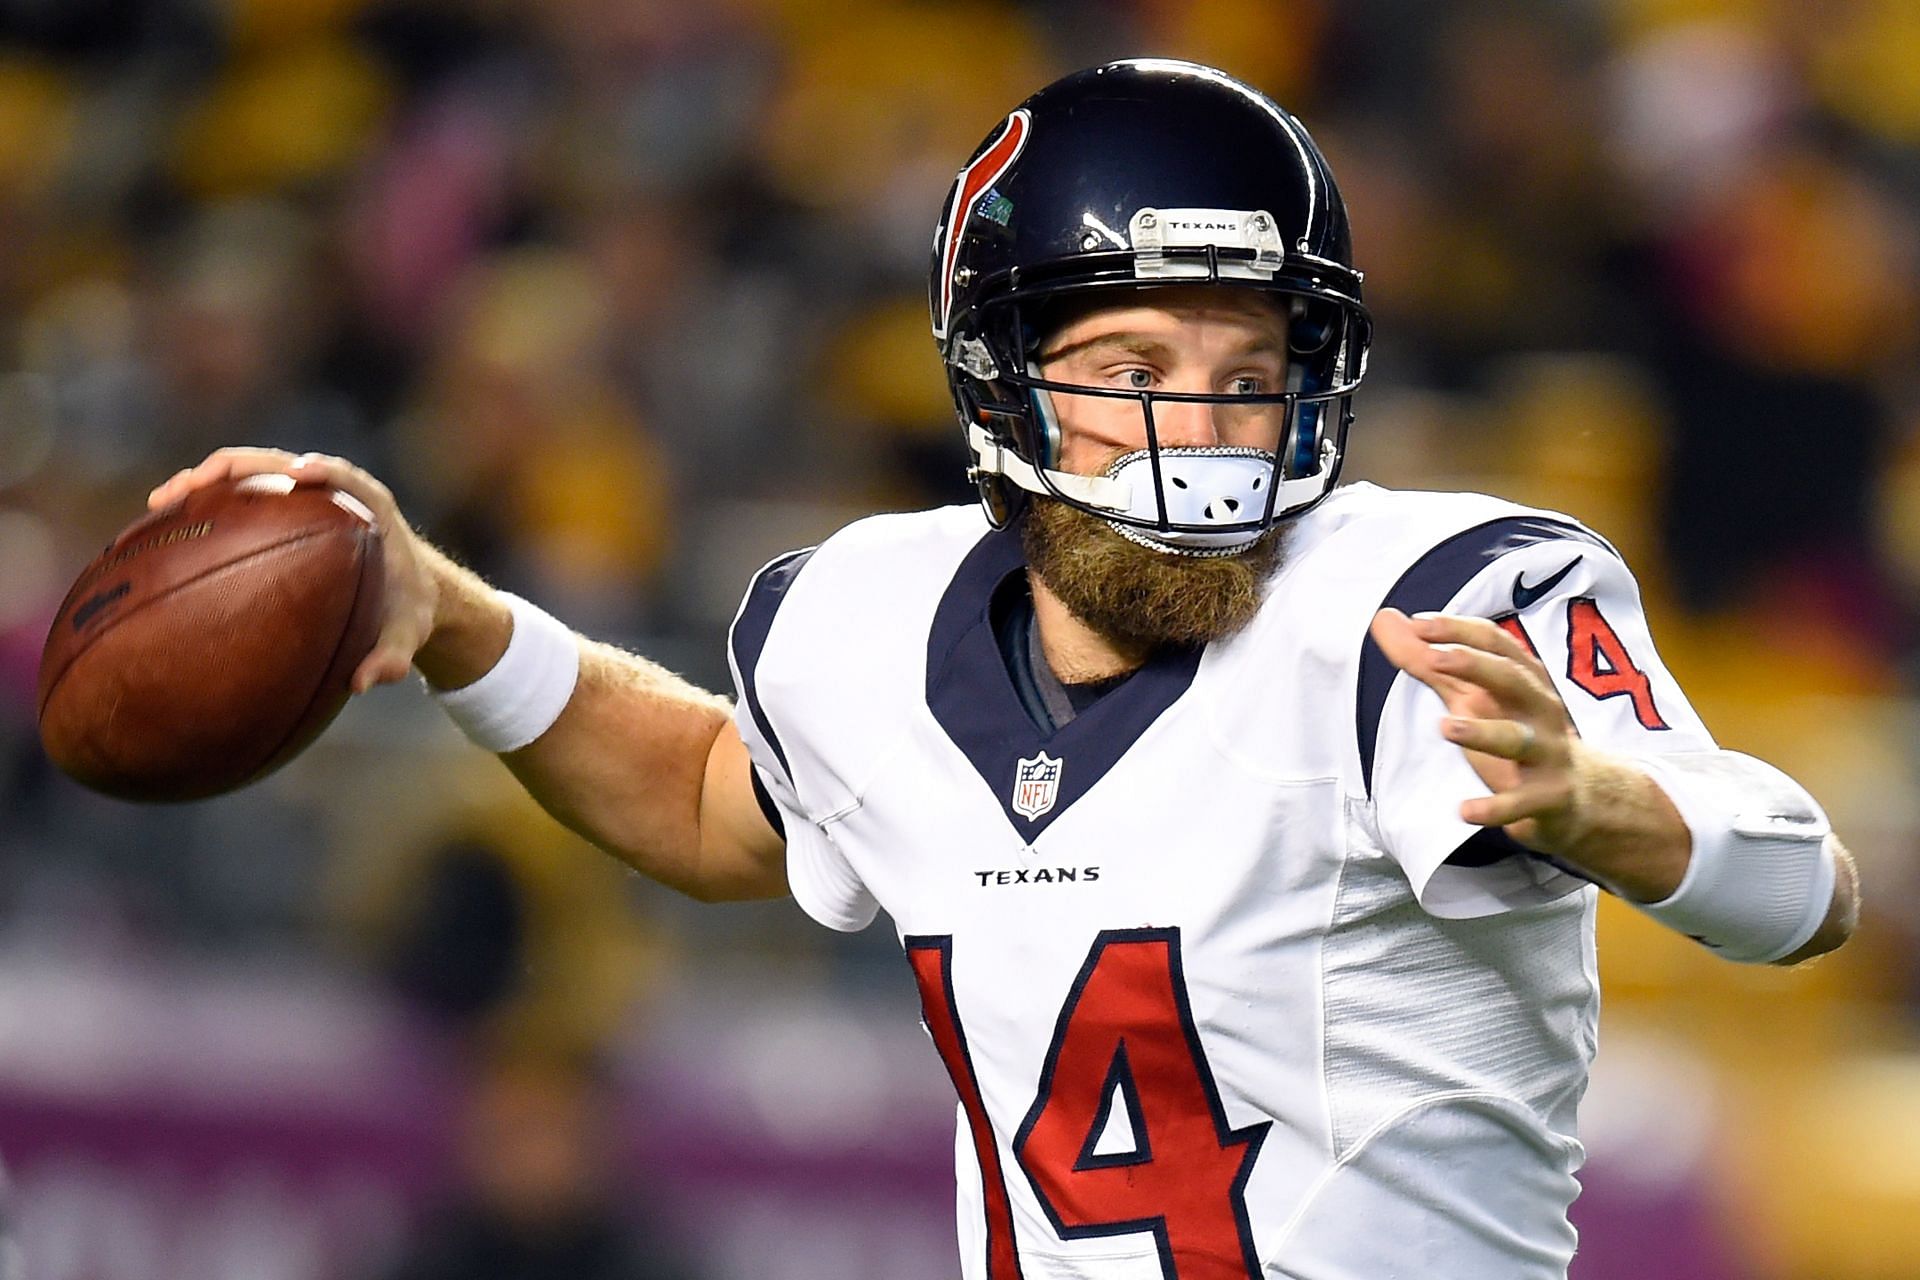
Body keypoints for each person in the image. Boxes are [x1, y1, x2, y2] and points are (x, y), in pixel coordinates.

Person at [150, 59, 1858, 1280]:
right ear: (1001, 380)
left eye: (1247, 367)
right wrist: (450, 612)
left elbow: (1804, 881)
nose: (1200, 420)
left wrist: (1607, 807)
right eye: (1130, 360)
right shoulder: (872, 622)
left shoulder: (1418, 611)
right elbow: (701, 795)